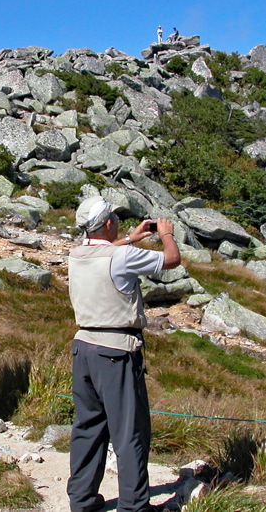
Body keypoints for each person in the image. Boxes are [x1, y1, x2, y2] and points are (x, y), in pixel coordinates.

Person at [66, 196, 181, 512]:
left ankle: (82, 500)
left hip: (83, 348)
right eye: (114, 218)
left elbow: (103, 250)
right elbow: (171, 260)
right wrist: (166, 233)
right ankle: (134, 506)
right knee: (129, 431)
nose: (117, 221)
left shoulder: (76, 255)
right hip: (117, 351)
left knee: (88, 426)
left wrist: (131, 237)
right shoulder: (124, 257)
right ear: (107, 224)